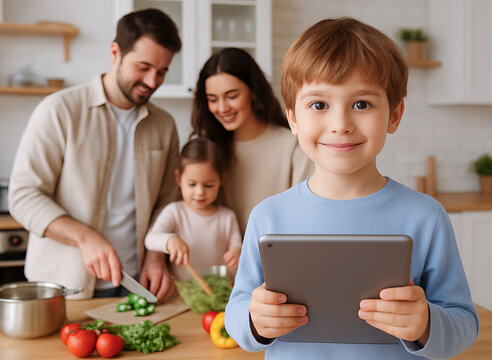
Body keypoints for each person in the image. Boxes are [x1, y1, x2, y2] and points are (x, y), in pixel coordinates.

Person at [225, 17, 479, 359]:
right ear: (293, 118)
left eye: (362, 104)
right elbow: (237, 312)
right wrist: (255, 320)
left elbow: (464, 322)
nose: (340, 125)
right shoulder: (268, 216)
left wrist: (427, 324)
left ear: (394, 114)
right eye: (319, 105)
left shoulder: (426, 216)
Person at [8, 9, 182, 300]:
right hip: (63, 289)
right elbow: (23, 196)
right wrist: (84, 237)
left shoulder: (164, 125)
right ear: (115, 52)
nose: (152, 81)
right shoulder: (60, 110)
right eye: (143, 67)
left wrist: (156, 257)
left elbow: (167, 202)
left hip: (135, 285)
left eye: (162, 72)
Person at [190, 48, 313, 233]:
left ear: (253, 92)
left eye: (232, 96)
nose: (222, 108)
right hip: (221, 259)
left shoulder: (292, 145)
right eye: (213, 99)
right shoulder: (208, 149)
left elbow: (304, 216)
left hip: (273, 256)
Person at [144, 137, 242, 281]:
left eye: (208, 185)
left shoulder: (227, 217)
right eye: (192, 184)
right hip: (182, 293)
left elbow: (236, 245)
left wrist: (235, 252)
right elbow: (150, 239)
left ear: (221, 180)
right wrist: (169, 240)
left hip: (218, 291)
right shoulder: (175, 212)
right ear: (178, 179)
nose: (200, 192)